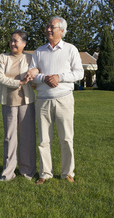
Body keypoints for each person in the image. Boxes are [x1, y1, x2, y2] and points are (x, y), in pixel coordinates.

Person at [27, 16, 84, 185]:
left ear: (62, 31)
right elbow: (32, 75)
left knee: (66, 138)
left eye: (52, 27)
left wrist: (59, 77)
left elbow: (79, 73)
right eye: (47, 27)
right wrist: (45, 78)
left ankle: (67, 173)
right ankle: (45, 173)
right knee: (44, 139)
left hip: (64, 99)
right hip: (43, 101)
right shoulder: (39, 51)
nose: (48, 30)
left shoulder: (71, 49)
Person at [0, 29, 37, 181]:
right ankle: (8, 173)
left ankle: (28, 171)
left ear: (24, 44)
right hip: (8, 102)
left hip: (26, 103)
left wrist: (32, 74)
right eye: (11, 40)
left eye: (16, 41)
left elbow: (36, 73)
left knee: (27, 137)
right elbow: (0, 78)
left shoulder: (30, 58)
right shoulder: (2, 58)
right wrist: (19, 82)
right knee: (9, 137)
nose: (13, 43)